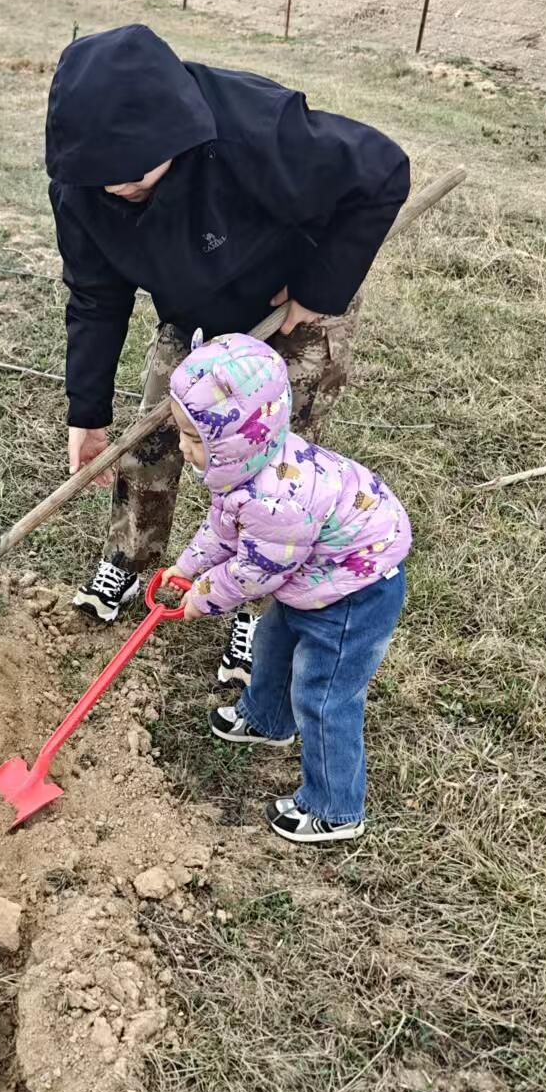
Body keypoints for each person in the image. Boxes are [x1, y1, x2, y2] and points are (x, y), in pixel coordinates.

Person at [45, 23, 408, 688]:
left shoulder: (258, 129)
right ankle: (130, 557)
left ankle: (258, 608)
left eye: (132, 173)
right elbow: (96, 298)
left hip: (291, 306)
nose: (117, 187)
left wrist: (319, 287)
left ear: (168, 135)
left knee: (272, 474)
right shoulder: (83, 181)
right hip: (196, 313)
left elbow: (383, 170)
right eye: (102, 177)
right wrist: (86, 412)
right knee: (154, 435)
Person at [168, 332, 410, 844]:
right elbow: (223, 529)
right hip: (314, 574)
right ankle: (268, 718)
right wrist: (189, 567)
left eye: (194, 439)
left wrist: (204, 596)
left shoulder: (274, 501)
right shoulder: (245, 468)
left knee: (325, 693)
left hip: (357, 590)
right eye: (183, 434)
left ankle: (335, 807)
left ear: (237, 438)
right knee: (273, 643)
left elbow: (257, 569)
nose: (184, 449)